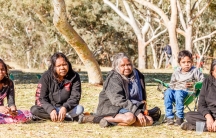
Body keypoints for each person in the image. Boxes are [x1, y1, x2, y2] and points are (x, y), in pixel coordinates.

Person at [79, 53, 161, 127]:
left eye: (129, 64)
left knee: (149, 121)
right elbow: (118, 101)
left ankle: (109, 122)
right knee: (130, 118)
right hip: (112, 106)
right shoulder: (113, 78)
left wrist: (141, 110)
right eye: (123, 65)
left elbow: (141, 96)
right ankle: (94, 118)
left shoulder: (137, 75)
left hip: (130, 107)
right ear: (116, 67)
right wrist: (136, 112)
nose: (127, 67)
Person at [30, 52, 84, 122]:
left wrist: (65, 107)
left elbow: (75, 97)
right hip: (50, 108)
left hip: (66, 109)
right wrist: (51, 110)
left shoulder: (74, 76)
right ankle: (68, 118)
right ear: (54, 67)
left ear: (68, 64)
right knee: (34, 109)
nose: (62, 68)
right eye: (58, 66)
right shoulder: (46, 77)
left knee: (80, 109)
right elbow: (41, 98)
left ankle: (53, 117)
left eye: (64, 64)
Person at [164, 50, 204, 126]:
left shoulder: (195, 71)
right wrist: (167, 89)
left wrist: (194, 84)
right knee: (168, 92)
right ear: (179, 63)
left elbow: (203, 82)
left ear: (192, 62)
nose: (186, 64)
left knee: (178, 93)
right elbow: (172, 84)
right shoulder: (176, 72)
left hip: (189, 93)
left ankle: (180, 117)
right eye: (183, 62)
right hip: (176, 91)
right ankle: (169, 117)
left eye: (188, 62)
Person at [181, 59, 216, 132]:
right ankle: (210, 126)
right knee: (189, 116)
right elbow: (201, 105)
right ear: (212, 72)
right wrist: (208, 117)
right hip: (209, 114)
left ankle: (193, 127)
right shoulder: (207, 82)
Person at [0, 59, 31, 124]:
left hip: (3, 112)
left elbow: (11, 102)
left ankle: (8, 119)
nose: (1, 72)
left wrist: (13, 110)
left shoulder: (9, 83)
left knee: (25, 114)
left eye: (2, 69)